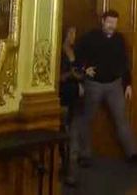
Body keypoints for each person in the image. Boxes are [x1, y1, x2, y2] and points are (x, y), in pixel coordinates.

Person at [74, 10, 137, 166]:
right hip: (94, 84)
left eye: (115, 23)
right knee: (86, 119)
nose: (112, 26)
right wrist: (83, 69)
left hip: (114, 85)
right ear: (103, 21)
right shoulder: (91, 37)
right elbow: (76, 52)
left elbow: (124, 63)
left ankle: (133, 153)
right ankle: (84, 155)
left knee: (121, 119)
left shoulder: (119, 39)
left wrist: (128, 84)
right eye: (109, 22)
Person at [58, 26, 83, 186]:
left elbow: (80, 70)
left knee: (74, 133)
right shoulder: (59, 52)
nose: (74, 36)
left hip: (75, 96)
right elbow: (57, 77)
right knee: (64, 133)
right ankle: (65, 168)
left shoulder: (75, 51)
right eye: (71, 33)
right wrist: (70, 75)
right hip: (63, 95)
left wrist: (81, 75)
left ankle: (72, 172)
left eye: (75, 33)